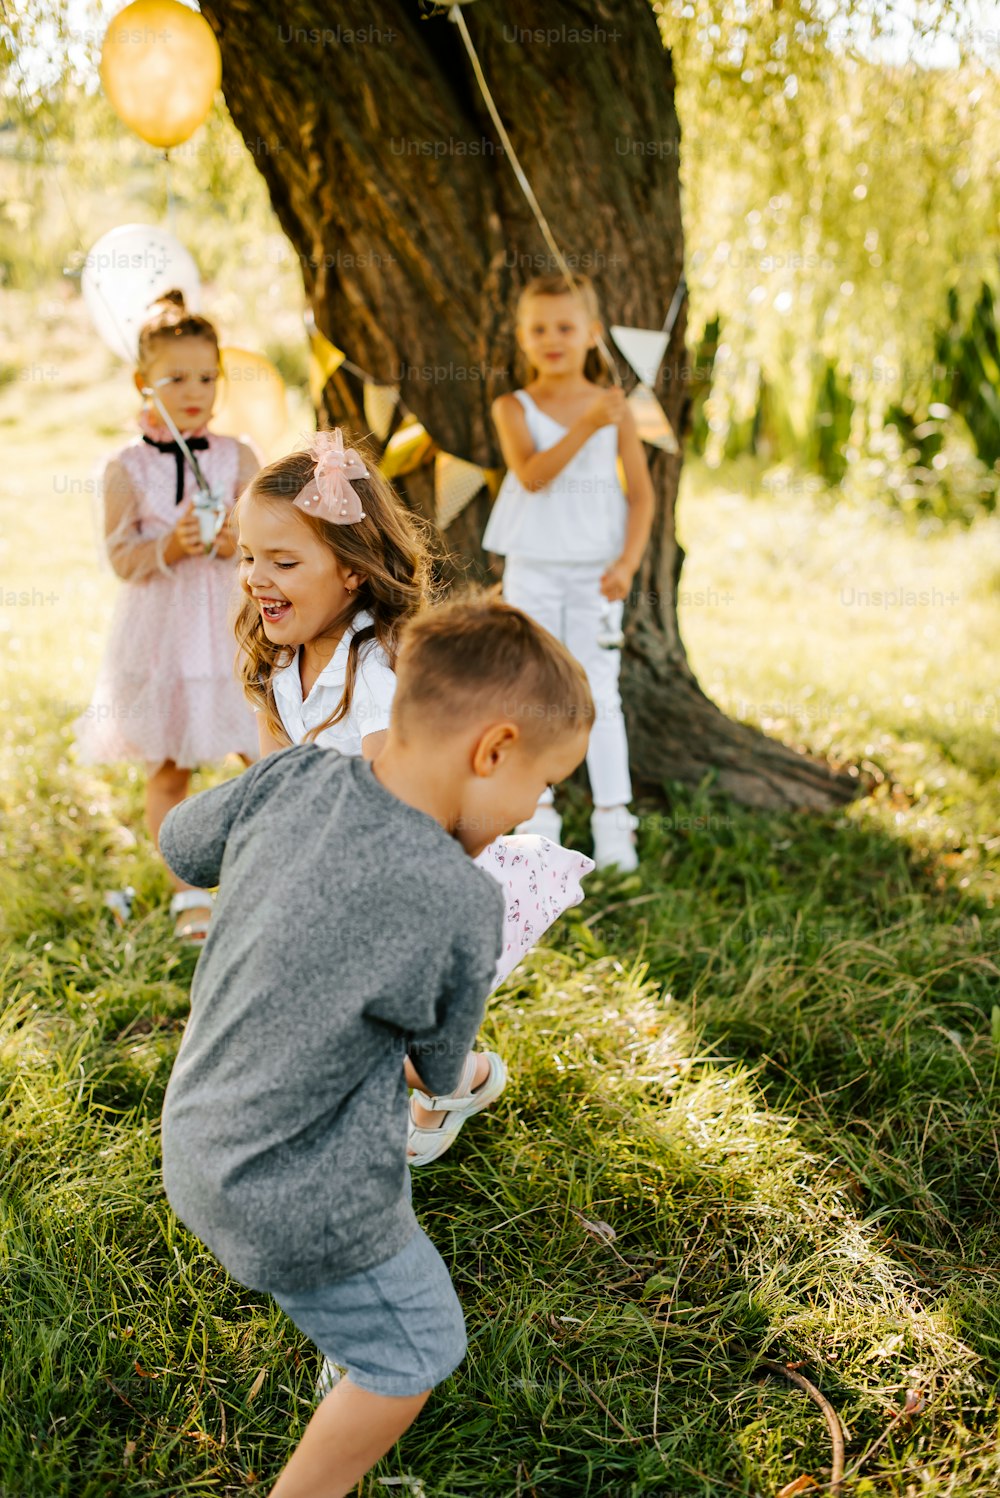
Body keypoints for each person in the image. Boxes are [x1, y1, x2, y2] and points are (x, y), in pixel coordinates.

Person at [158, 596, 593, 1498]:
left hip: (195, 1136)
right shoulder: (462, 899)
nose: (530, 813)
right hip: (297, 1189)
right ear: (493, 751)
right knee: (416, 1349)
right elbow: (436, 1075)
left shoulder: (295, 775)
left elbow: (182, 841)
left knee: (356, 1309)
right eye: (542, 789)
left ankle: (335, 1338)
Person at [231, 429, 594, 1163]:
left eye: (283, 561)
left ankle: (456, 1079)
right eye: (246, 557)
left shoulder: (376, 668)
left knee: (377, 1022)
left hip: (395, 873)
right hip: (321, 864)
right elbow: (273, 782)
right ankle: (442, 1076)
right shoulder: (280, 661)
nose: (256, 578)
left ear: (353, 573)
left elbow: (397, 807)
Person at [73, 290, 259, 942]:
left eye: (207, 377)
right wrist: (167, 546)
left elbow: (267, 537)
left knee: (263, 752)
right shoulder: (125, 467)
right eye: (175, 377)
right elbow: (121, 558)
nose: (193, 391)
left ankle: (269, 869)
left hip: (231, 630)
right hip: (164, 639)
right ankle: (188, 893)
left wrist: (238, 540)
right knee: (169, 766)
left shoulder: (238, 456)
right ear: (142, 382)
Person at [486, 272, 656, 872]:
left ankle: (615, 823)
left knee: (598, 692)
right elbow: (531, 476)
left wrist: (627, 564)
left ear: (592, 333)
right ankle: (537, 816)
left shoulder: (617, 409)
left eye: (565, 326)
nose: (552, 338)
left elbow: (641, 495)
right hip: (533, 567)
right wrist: (587, 424)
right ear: (522, 338)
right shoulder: (514, 407)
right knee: (530, 689)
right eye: (538, 329)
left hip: (593, 574)